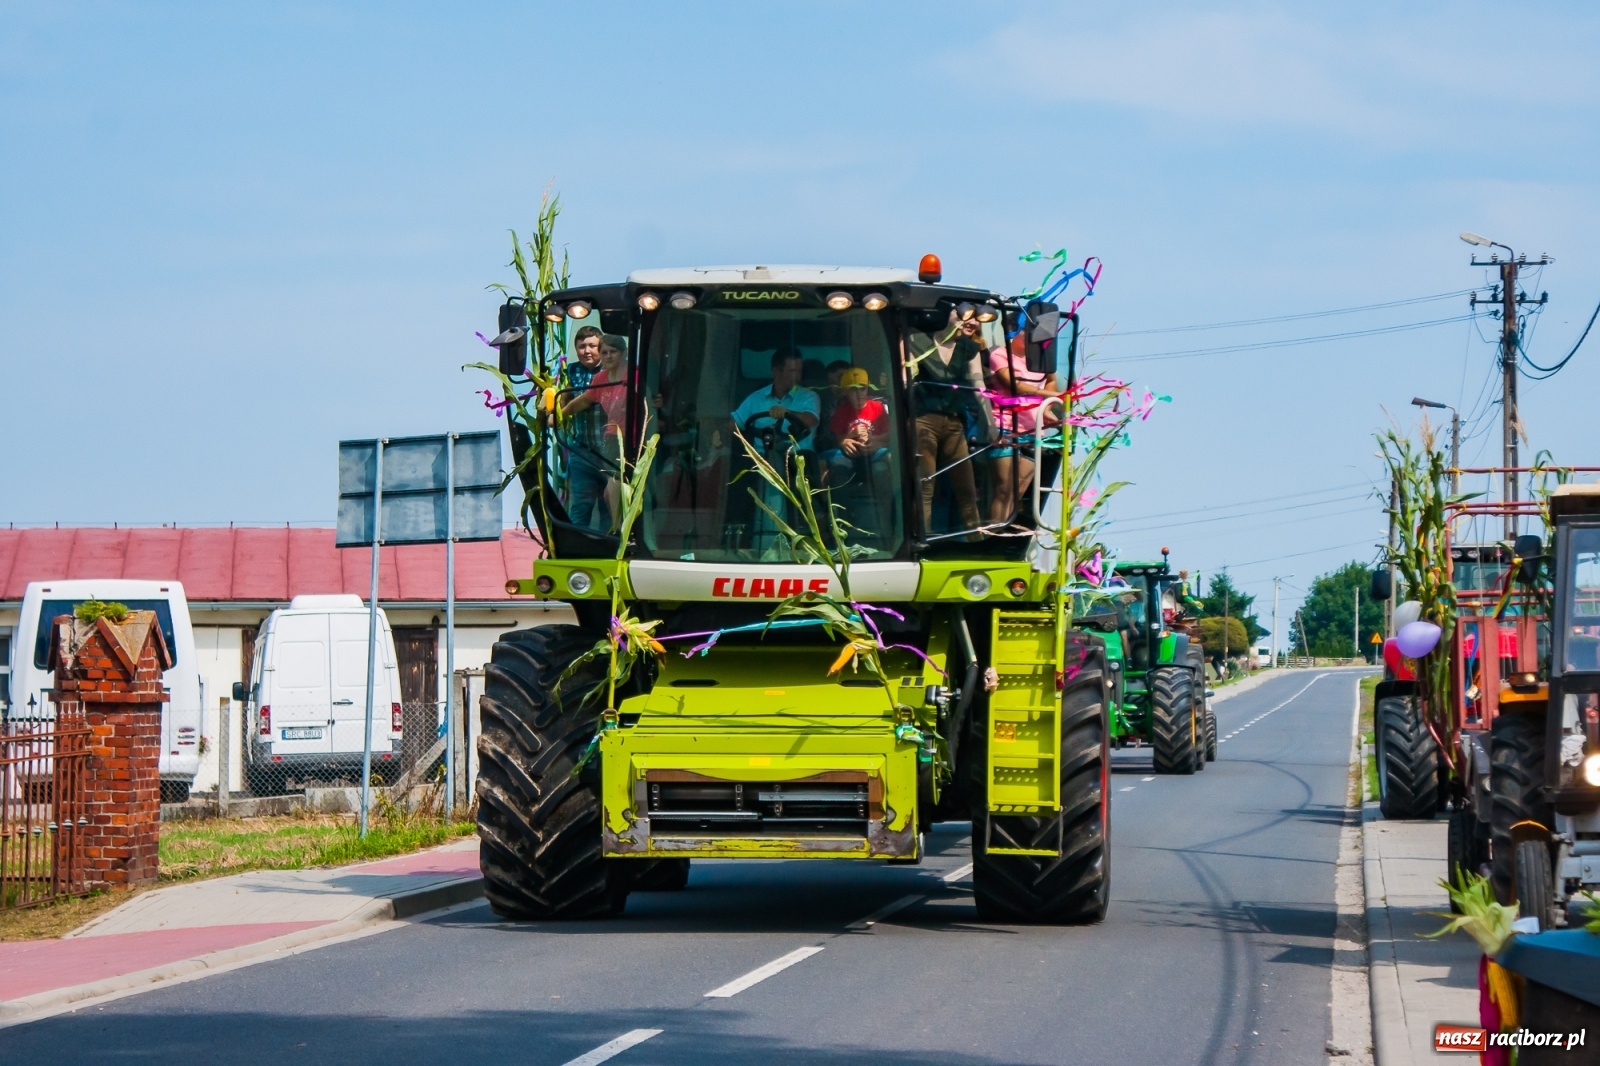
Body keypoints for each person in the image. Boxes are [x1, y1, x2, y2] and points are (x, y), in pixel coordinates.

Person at [908, 311, 985, 536]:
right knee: (925, 485)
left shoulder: (969, 349)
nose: (971, 321)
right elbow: (906, 377)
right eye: (963, 314)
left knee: (967, 489)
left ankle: (975, 541)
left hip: (954, 423)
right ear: (946, 315)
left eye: (975, 317)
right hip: (923, 421)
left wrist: (989, 422)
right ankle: (922, 540)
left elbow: (979, 386)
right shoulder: (915, 341)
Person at [986, 329, 1060, 525]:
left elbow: (1052, 380)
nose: (1031, 338)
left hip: (1032, 429)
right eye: (1026, 333)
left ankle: (1002, 531)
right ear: (1014, 334)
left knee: (1018, 489)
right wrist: (1044, 394)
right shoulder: (999, 355)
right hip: (1006, 427)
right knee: (1004, 487)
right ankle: (993, 534)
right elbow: (1013, 385)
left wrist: (1047, 408)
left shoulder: (1041, 358)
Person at [561, 334, 632, 528]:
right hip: (610, 440)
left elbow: (652, 397)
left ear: (624, 353)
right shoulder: (600, 378)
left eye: (613, 352)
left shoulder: (635, 374)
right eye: (605, 352)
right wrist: (560, 414)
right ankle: (614, 533)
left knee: (614, 491)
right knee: (607, 493)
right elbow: (584, 400)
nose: (608, 356)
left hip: (633, 439)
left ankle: (620, 534)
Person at [822, 367, 893, 543]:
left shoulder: (878, 408)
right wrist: (848, 438)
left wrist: (873, 440)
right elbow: (837, 439)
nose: (859, 393)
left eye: (862, 388)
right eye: (853, 389)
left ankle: (889, 523)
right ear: (845, 392)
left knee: (882, 470)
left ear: (868, 388)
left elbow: (890, 436)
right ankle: (844, 524)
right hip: (850, 456)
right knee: (838, 473)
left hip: (875, 454)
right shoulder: (841, 411)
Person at [560, 326, 609, 530]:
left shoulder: (611, 370)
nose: (587, 351)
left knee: (609, 507)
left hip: (609, 452)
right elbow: (563, 406)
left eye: (592, 346)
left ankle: (609, 551)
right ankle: (578, 550)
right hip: (582, 451)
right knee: (580, 506)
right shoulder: (570, 371)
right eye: (582, 347)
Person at [731, 347, 820, 452]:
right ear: (776, 371)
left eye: (799, 371)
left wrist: (788, 413)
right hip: (761, 462)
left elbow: (810, 420)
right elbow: (733, 424)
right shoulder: (756, 398)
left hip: (800, 460)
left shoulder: (809, 396)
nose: (797, 377)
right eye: (792, 371)